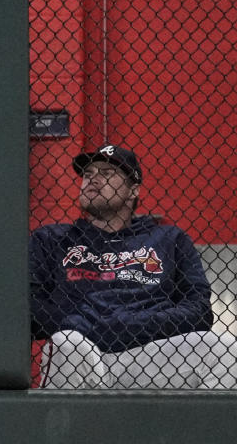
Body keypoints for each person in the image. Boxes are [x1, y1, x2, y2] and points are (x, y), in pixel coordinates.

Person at [30, 144, 237, 389]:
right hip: (84, 351)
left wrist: (136, 325)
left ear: (133, 190)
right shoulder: (53, 238)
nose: (93, 180)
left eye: (107, 173)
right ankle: (66, 428)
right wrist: (80, 324)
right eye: (88, 174)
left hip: (150, 352)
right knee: (66, 341)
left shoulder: (169, 239)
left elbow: (199, 310)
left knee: (222, 349)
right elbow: (28, 303)